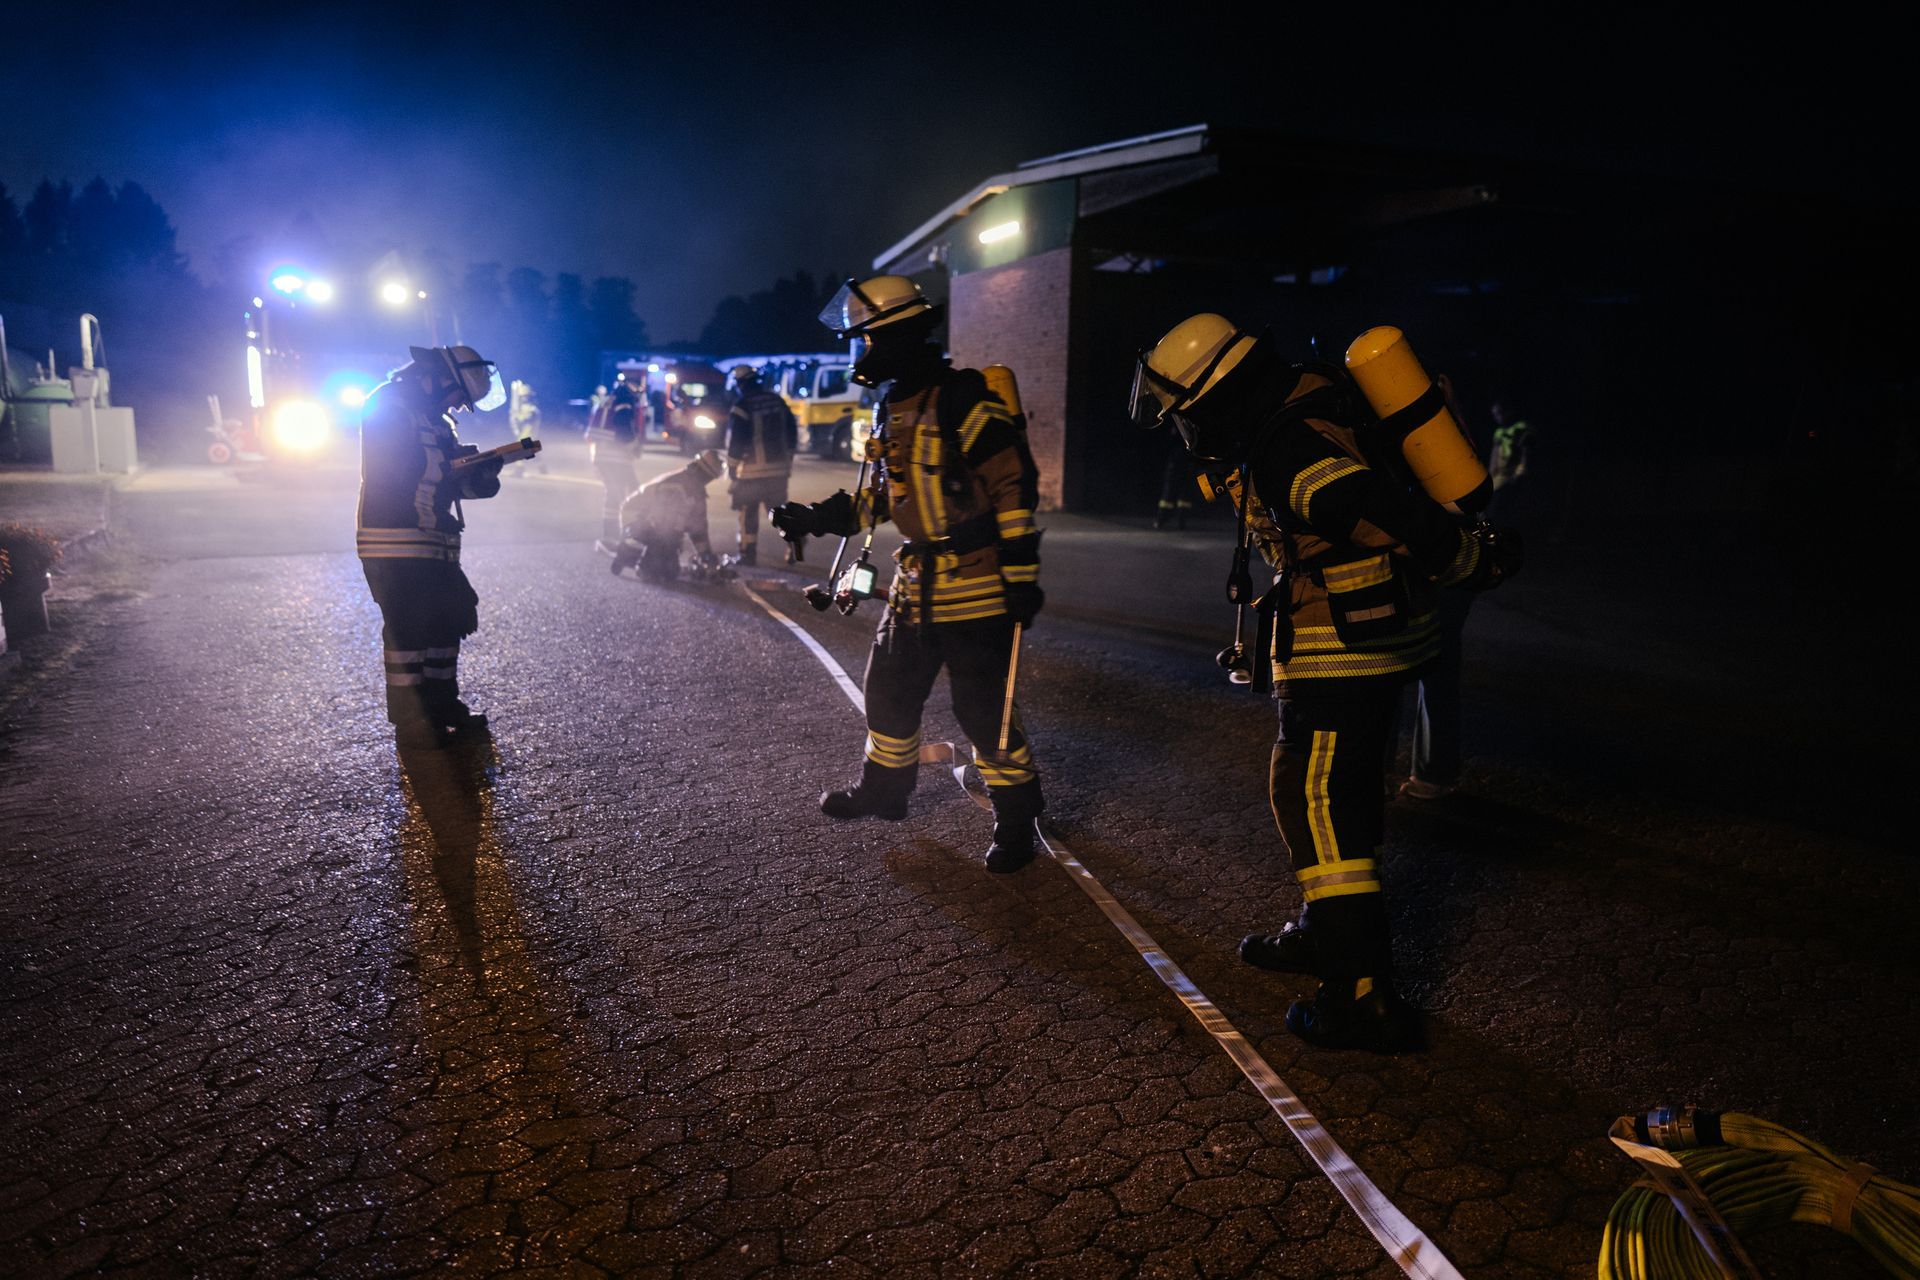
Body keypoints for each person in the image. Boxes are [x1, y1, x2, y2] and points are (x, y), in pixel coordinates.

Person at [1131, 314, 1521, 1050]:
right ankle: (1323, 930)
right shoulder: (1301, 396)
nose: (1187, 430)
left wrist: (1466, 559)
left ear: (1215, 395)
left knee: (1314, 798)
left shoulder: (1288, 447)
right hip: (1379, 633)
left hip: (1343, 646)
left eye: (1186, 413)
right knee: (1344, 790)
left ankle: (1361, 991)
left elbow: (1370, 508)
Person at [772, 274, 1045, 873]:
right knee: (888, 692)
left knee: (985, 713)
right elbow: (880, 498)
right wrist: (815, 517)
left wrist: (1022, 575)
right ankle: (886, 792)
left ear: (892, 336)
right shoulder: (892, 407)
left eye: (864, 339)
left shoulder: (962, 399)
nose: (860, 352)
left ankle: (1016, 820)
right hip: (914, 586)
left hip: (976, 585)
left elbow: (1012, 483)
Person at [357, 345, 507, 751]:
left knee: (449, 618)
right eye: (459, 395)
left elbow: (448, 487)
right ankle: (412, 723)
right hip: (396, 542)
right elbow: (401, 472)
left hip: (434, 540)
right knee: (409, 633)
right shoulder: (390, 407)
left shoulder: (437, 420)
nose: (458, 406)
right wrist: (457, 465)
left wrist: (482, 477)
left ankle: (442, 706)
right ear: (437, 379)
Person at [722, 363, 799, 567]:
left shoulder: (742, 406)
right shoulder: (777, 401)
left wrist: (732, 468)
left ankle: (747, 554)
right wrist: (788, 459)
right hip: (779, 471)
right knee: (779, 512)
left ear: (740, 384)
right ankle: (794, 542)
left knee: (747, 512)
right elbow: (792, 432)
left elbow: (736, 441)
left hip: (751, 472)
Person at [610, 448, 724, 581]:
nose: (707, 480)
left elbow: (698, 529)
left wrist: (706, 555)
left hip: (653, 523)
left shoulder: (696, 492)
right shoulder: (677, 484)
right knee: (657, 564)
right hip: (635, 517)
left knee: (670, 573)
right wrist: (672, 544)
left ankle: (643, 557)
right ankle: (630, 557)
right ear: (699, 470)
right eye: (707, 476)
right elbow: (661, 522)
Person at [586, 369, 646, 549]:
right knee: (629, 494)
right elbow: (623, 428)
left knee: (619, 494)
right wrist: (634, 447)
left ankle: (617, 536)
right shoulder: (624, 399)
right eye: (637, 387)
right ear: (632, 385)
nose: (638, 391)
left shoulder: (610, 398)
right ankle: (619, 537)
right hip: (616, 457)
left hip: (604, 456)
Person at [508, 379, 546, 474]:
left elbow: (526, 420)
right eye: (522, 396)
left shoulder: (533, 410)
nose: (523, 398)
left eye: (525, 396)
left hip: (529, 434)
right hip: (526, 434)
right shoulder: (526, 408)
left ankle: (520, 469)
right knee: (532, 451)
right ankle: (542, 467)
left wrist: (517, 416)